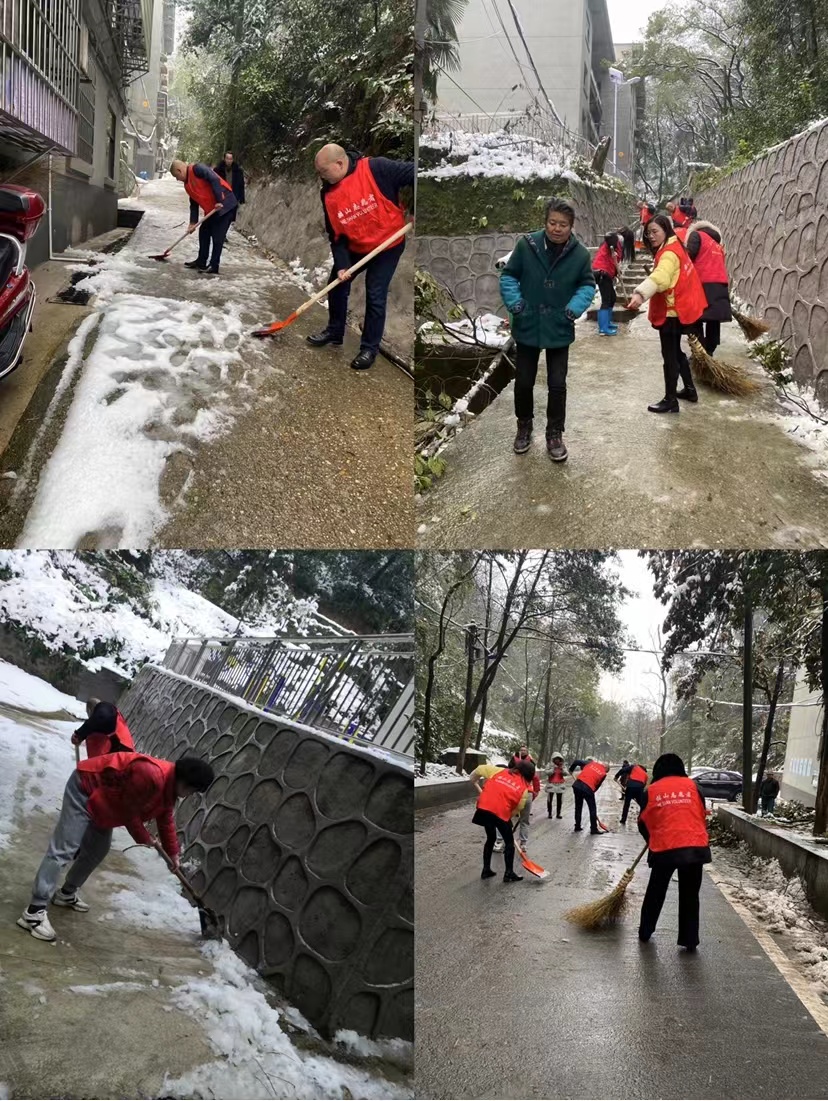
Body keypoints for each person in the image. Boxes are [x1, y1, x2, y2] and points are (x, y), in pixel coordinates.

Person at [17, 752, 215, 942]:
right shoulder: (150, 775)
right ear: (184, 780)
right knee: (64, 849)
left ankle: (66, 893)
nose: (189, 795)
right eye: (192, 790)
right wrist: (145, 838)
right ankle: (34, 912)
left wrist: (173, 854)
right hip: (85, 788)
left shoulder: (169, 789)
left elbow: (165, 820)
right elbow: (129, 813)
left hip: (105, 802)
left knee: (97, 850)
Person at [500, 198, 596, 462]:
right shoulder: (527, 245)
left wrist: (572, 310)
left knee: (557, 384)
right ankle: (524, 426)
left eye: (563, 224)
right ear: (545, 223)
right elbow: (508, 276)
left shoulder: (579, 255)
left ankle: (554, 433)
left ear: (571, 227)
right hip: (528, 323)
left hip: (559, 326)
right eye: (552, 223)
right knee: (523, 383)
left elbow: (587, 285)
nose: (557, 228)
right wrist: (516, 304)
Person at [308, 143, 414, 371]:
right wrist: (342, 265)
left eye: (324, 171)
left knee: (375, 293)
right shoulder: (327, 193)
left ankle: (369, 348)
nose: (321, 176)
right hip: (356, 245)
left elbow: (416, 171)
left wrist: (416, 209)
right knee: (336, 284)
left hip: (388, 245)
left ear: (339, 163)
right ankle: (335, 330)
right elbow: (335, 235)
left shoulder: (377, 168)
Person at [627, 214, 707, 413]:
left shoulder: (669, 253)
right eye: (648, 233)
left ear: (666, 230)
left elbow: (661, 277)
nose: (651, 236)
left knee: (669, 356)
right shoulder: (676, 246)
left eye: (655, 232)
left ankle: (670, 400)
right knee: (677, 353)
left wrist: (639, 294)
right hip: (679, 310)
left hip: (672, 313)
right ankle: (689, 390)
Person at [637, 752, 711, 951]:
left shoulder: (651, 791)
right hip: (695, 848)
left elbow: (643, 822)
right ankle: (690, 940)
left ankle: (645, 931)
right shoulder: (695, 787)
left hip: (665, 849)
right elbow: (701, 815)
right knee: (690, 894)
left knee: (656, 891)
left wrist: (652, 840)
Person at [169, 159, 237, 277]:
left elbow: (214, 179)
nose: (177, 179)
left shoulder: (197, 169)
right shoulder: (187, 184)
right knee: (204, 231)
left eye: (176, 176)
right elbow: (194, 203)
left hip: (225, 204)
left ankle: (214, 266)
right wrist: (192, 223)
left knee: (217, 237)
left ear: (179, 170)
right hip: (213, 209)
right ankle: (201, 261)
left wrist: (219, 200)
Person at [472, 758, 535, 882]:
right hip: (499, 812)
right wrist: (506, 818)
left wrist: (473, 780)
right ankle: (509, 873)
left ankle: (486, 870)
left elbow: (479, 769)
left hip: (484, 808)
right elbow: (517, 809)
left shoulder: (499, 771)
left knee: (490, 838)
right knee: (509, 843)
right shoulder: (524, 789)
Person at [685, 220, 732, 357]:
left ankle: (700, 353)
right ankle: (710, 350)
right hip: (720, 284)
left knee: (695, 317)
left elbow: (689, 256)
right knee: (713, 320)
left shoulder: (696, 235)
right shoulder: (717, 245)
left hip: (701, 283)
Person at [592, 231, 623, 336]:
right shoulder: (608, 247)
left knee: (612, 298)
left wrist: (617, 272)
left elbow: (614, 262)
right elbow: (607, 261)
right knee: (606, 300)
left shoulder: (616, 246)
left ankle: (607, 323)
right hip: (602, 273)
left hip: (607, 273)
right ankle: (603, 329)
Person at [511, 745, 540, 849]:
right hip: (526, 792)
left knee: (505, 817)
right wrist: (534, 793)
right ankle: (523, 843)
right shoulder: (514, 759)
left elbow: (535, 778)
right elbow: (536, 779)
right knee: (524, 820)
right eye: (521, 750)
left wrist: (535, 792)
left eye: (524, 750)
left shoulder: (528, 763)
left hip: (519, 792)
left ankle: (501, 841)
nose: (522, 752)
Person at [569, 757, 608, 834]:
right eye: (607, 771)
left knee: (578, 807)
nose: (606, 772)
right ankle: (593, 829)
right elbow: (597, 786)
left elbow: (576, 761)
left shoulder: (591, 763)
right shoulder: (604, 774)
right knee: (592, 809)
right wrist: (591, 792)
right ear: (606, 768)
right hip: (588, 788)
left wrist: (571, 769)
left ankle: (577, 826)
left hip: (577, 785)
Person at [214, 151, 245, 222]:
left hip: (233, 197)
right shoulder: (217, 170)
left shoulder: (238, 171)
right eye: (227, 158)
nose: (229, 161)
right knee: (220, 218)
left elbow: (241, 185)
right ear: (224, 159)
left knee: (230, 219)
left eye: (230, 159)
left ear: (233, 160)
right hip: (222, 198)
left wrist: (241, 199)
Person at [545, 751, 569, 819]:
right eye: (556, 759)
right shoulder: (549, 765)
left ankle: (558, 813)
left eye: (558, 759)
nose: (557, 760)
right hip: (551, 784)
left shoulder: (563, 765)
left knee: (560, 800)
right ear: (553, 759)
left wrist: (562, 769)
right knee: (550, 799)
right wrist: (553, 769)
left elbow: (566, 773)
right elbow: (546, 772)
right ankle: (549, 813)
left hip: (560, 784)